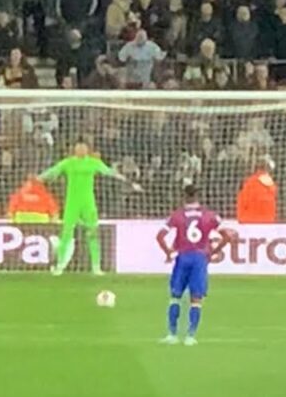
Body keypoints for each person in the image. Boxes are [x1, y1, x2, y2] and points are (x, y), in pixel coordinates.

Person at [39, 143, 138, 276]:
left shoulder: (94, 162)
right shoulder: (68, 163)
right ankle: (60, 266)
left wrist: (126, 180)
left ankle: (96, 266)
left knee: (93, 232)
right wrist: (39, 177)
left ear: (87, 150)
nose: (81, 150)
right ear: (74, 150)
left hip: (88, 203)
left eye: (83, 148)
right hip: (72, 203)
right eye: (78, 148)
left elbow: (109, 172)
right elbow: (53, 171)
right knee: (66, 234)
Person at [155, 185, 232, 346]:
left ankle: (172, 335)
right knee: (196, 299)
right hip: (199, 258)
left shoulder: (177, 215)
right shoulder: (210, 216)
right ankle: (190, 336)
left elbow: (160, 236)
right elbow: (227, 236)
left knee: (175, 296)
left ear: (184, 197)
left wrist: (168, 252)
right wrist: (213, 252)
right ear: (198, 197)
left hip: (182, 257)